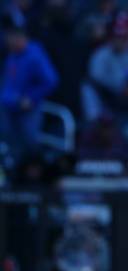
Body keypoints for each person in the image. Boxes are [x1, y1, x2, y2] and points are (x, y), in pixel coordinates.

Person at [0, 19, 58, 164]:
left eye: (11, 38)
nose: (8, 42)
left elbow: (51, 80)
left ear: (20, 38)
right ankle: (14, 175)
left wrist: (31, 97)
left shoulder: (34, 55)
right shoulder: (12, 56)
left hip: (27, 108)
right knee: (10, 143)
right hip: (9, 107)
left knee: (30, 141)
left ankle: (34, 174)